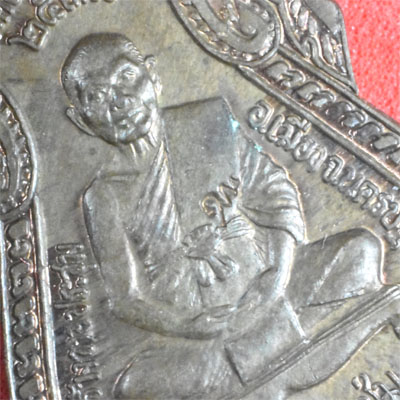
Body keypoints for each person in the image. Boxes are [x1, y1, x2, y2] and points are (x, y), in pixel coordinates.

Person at [61, 33, 388, 399]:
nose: (120, 101)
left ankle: (258, 370)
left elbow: (276, 195)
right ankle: (285, 355)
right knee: (133, 386)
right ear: (81, 120)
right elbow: (126, 298)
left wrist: (278, 275)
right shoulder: (103, 197)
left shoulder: (208, 123)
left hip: (267, 293)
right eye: (97, 96)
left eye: (126, 77)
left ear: (152, 75)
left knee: (361, 248)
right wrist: (190, 325)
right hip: (206, 335)